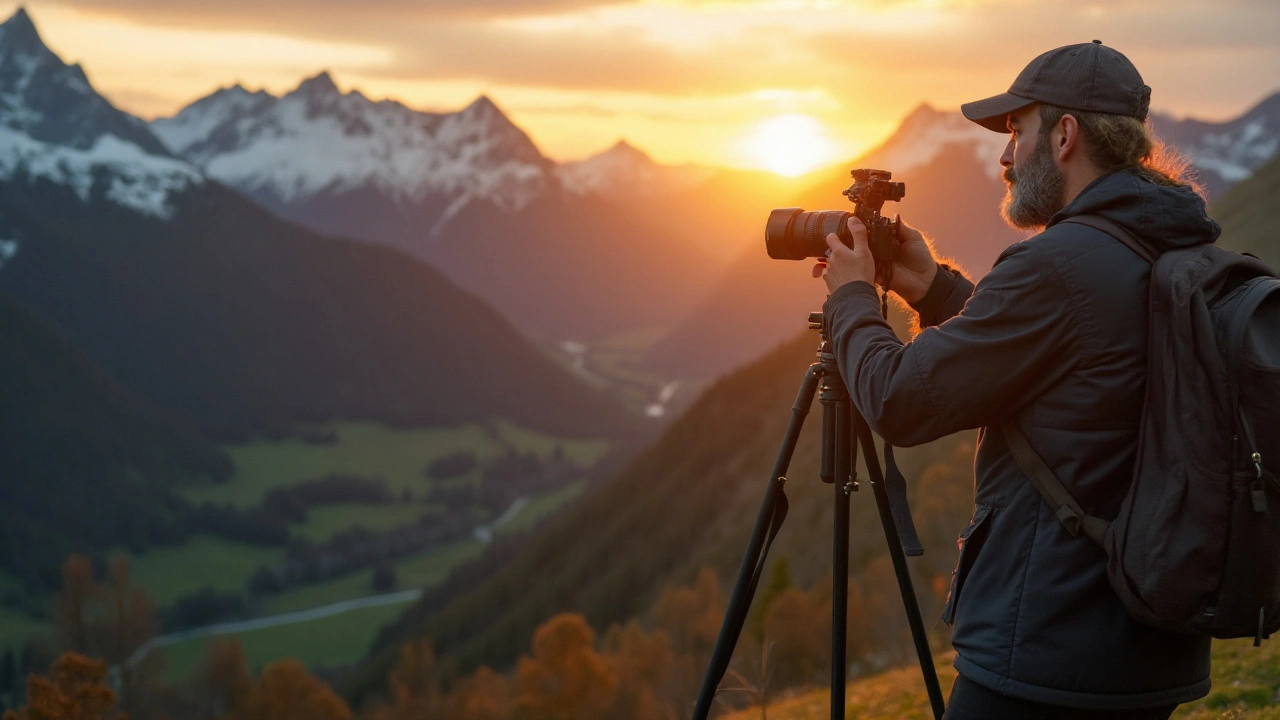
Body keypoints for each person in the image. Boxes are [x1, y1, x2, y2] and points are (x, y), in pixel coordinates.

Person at [815, 42, 1215, 719]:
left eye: (1015, 131)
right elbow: (1067, 357)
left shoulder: (1056, 264)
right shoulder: (1170, 243)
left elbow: (898, 402)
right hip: (1147, 644)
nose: (1003, 158)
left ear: (1064, 136)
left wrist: (851, 297)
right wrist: (932, 286)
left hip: (1046, 649)